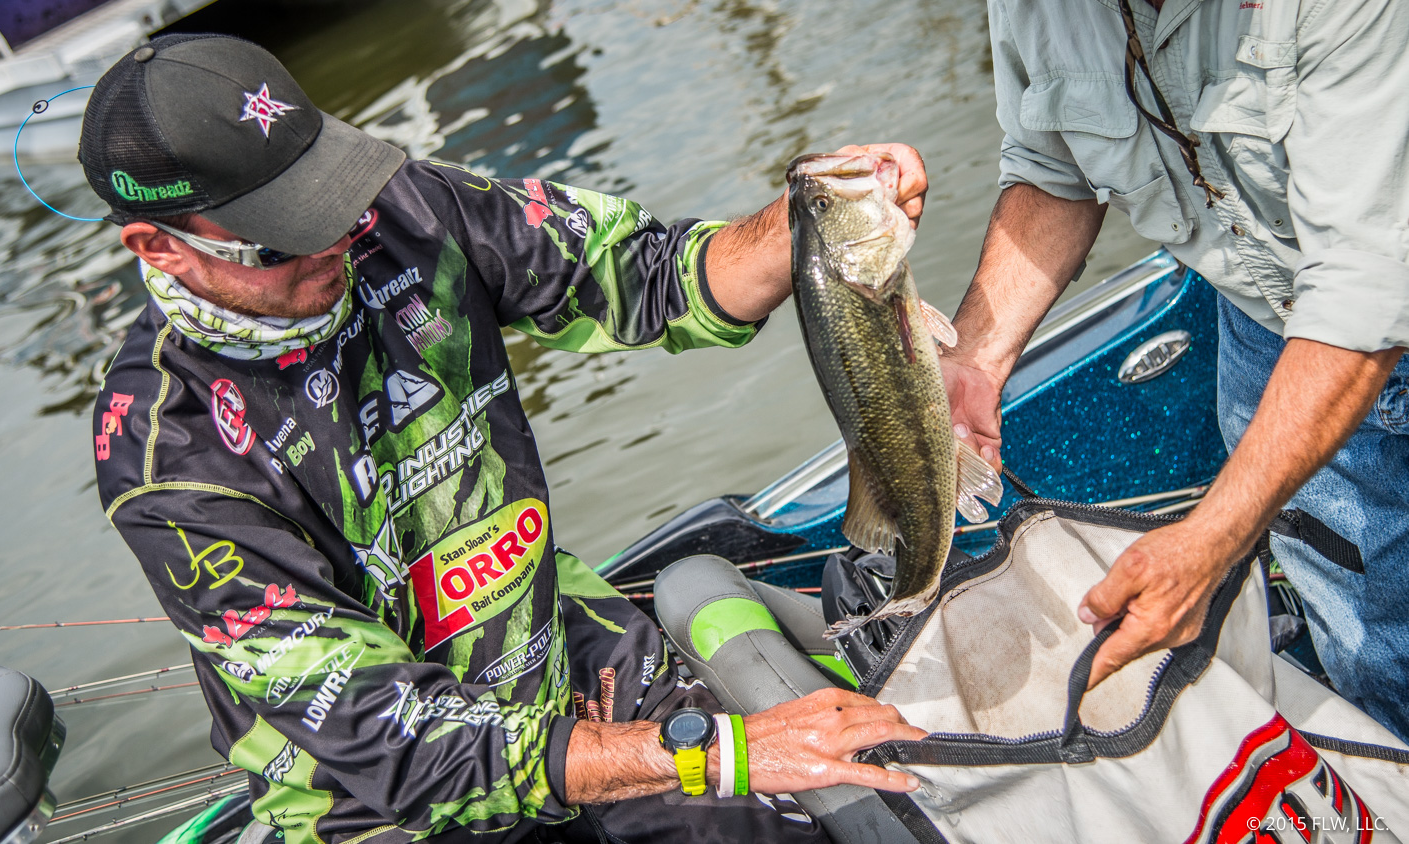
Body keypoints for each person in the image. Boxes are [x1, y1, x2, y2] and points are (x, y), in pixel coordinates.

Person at [84, 33, 927, 844]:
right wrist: (729, 753)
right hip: (381, 802)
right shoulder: (167, 454)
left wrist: (815, 222)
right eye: (289, 230)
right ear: (161, 247)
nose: (340, 237)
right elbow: (397, 742)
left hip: (561, 659)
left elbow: (645, 274)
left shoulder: (408, 208)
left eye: (330, 195)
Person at [942, 0, 1409, 740]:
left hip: (1364, 312)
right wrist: (972, 357)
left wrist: (1210, 542)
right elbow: (1050, 165)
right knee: (1372, 654)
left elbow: (1365, 288)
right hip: (1266, 331)